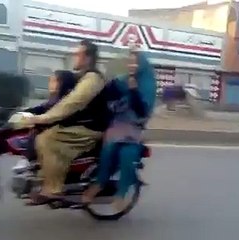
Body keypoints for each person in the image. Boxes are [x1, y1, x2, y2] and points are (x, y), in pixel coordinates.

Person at [25, 40, 110, 205]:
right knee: (41, 134)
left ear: (88, 57)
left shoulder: (93, 78)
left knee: (47, 139)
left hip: (91, 127)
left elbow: (72, 103)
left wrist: (44, 118)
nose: (75, 58)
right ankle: (43, 181)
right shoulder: (80, 77)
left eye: (78, 55)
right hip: (80, 124)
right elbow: (55, 102)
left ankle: (53, 190)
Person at [81, 49, 156, 210]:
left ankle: (121, 194)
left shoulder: (148, 84)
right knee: (108, 150)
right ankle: (100, 183)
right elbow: (107, 92)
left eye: (135, 62)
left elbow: (142, 111)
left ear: (142, 65)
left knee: (127, 154)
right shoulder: (122, 80)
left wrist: (134, 91)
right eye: (129, 62)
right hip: (117, 124)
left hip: (134, 127)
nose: (131, 65)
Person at [23, 70, 76, 161]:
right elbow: (40, 108)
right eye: (50, 80)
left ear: (64, 83)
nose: (50, 83)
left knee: (36, 131)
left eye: (55, 81)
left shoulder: (65, 101)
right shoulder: (53, 99)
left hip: (62, 133)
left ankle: (30, 161)